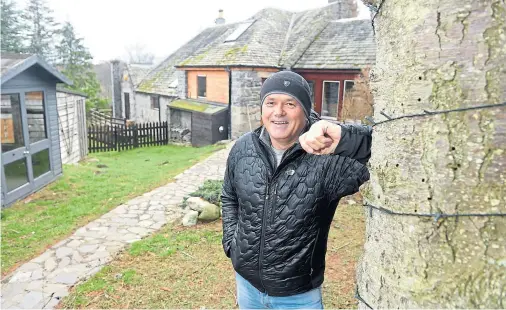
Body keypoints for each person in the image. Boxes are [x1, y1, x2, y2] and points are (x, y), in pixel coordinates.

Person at [221, 71, 372, 309]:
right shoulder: (243, 148)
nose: (278, 112)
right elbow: (229, 196)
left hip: (298, 296)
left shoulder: (329, 156)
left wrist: (344, 137)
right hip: (247, 284)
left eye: (290, 104)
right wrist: (232, 243)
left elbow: (388, 150)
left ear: (305, 110)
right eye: (270, 103)